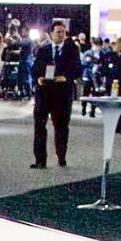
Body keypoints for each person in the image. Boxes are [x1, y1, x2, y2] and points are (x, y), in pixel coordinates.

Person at [29, 20, 78, 169]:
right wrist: (38, 78)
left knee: (61, 127)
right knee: (39, 126)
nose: (61, 34)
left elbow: (77, 69)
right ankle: (40, 160)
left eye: (63, 32)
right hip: (44, 93)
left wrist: (66, 77)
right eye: (58, 32)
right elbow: (35, 68)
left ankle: (61, 157)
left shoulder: (71, 50)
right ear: (51, 34)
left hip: (62, 95)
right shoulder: (43, 50)